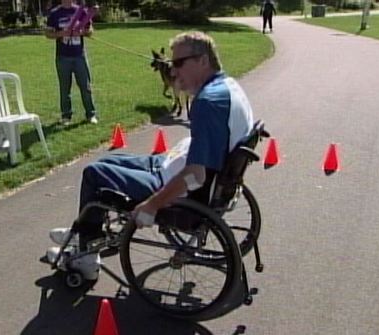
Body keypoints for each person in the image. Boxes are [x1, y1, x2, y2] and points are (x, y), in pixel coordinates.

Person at [46, 31, 254, 281]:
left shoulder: (208, 103)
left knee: (94, 174)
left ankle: (86, 255)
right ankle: (87, 230)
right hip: (171, 166)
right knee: (106, 161)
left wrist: (152, 204)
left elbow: (196, 176)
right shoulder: (227, 86)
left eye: (178, 63)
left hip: (174, 183)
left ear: (203, 61)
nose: (173, 71)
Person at [45, 0, 98, 126]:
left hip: (79, 56)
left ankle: (91, 114)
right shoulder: (55, 13)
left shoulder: (81, 10)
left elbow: (90, 30)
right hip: (62, 57)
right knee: (65, 88)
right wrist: (62, 33)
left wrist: (82, 32)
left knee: (85, 86)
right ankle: (66, 116)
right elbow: (48, 34)